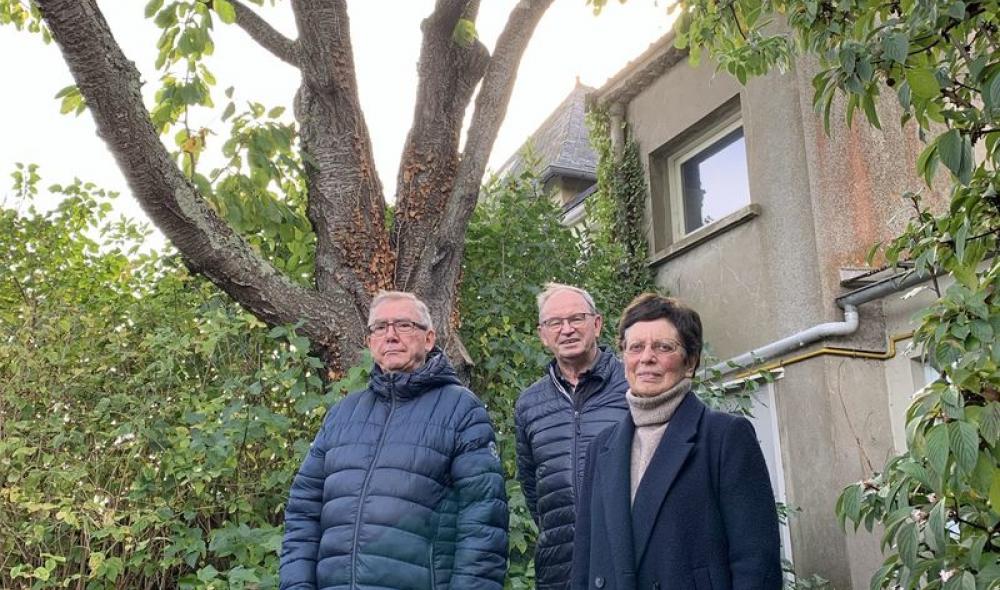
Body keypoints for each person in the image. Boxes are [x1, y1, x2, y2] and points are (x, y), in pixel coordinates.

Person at [280, 291, 508, 590]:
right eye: (380, 327)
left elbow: (483, 526)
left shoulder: (461, 411)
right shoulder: (343, 414)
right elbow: (303, 511)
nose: (390, 336)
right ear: (370, 341)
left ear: (428, 339)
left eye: (403, 325)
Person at [572, 293, 782, 590]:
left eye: (663, 347)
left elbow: (756, 563)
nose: (646, 357)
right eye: (635, 347)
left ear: (690, 361)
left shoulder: (724, 437)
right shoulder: (601, 447)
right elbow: (584, 561)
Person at [515, 283, 629, 590]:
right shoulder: (529, 404)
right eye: (555, 322)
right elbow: (532, 487)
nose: (566, 329)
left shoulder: (633, 386)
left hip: (628, 557)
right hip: (560, 566)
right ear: (542, 334)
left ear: (597, 323)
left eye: (576, 318)